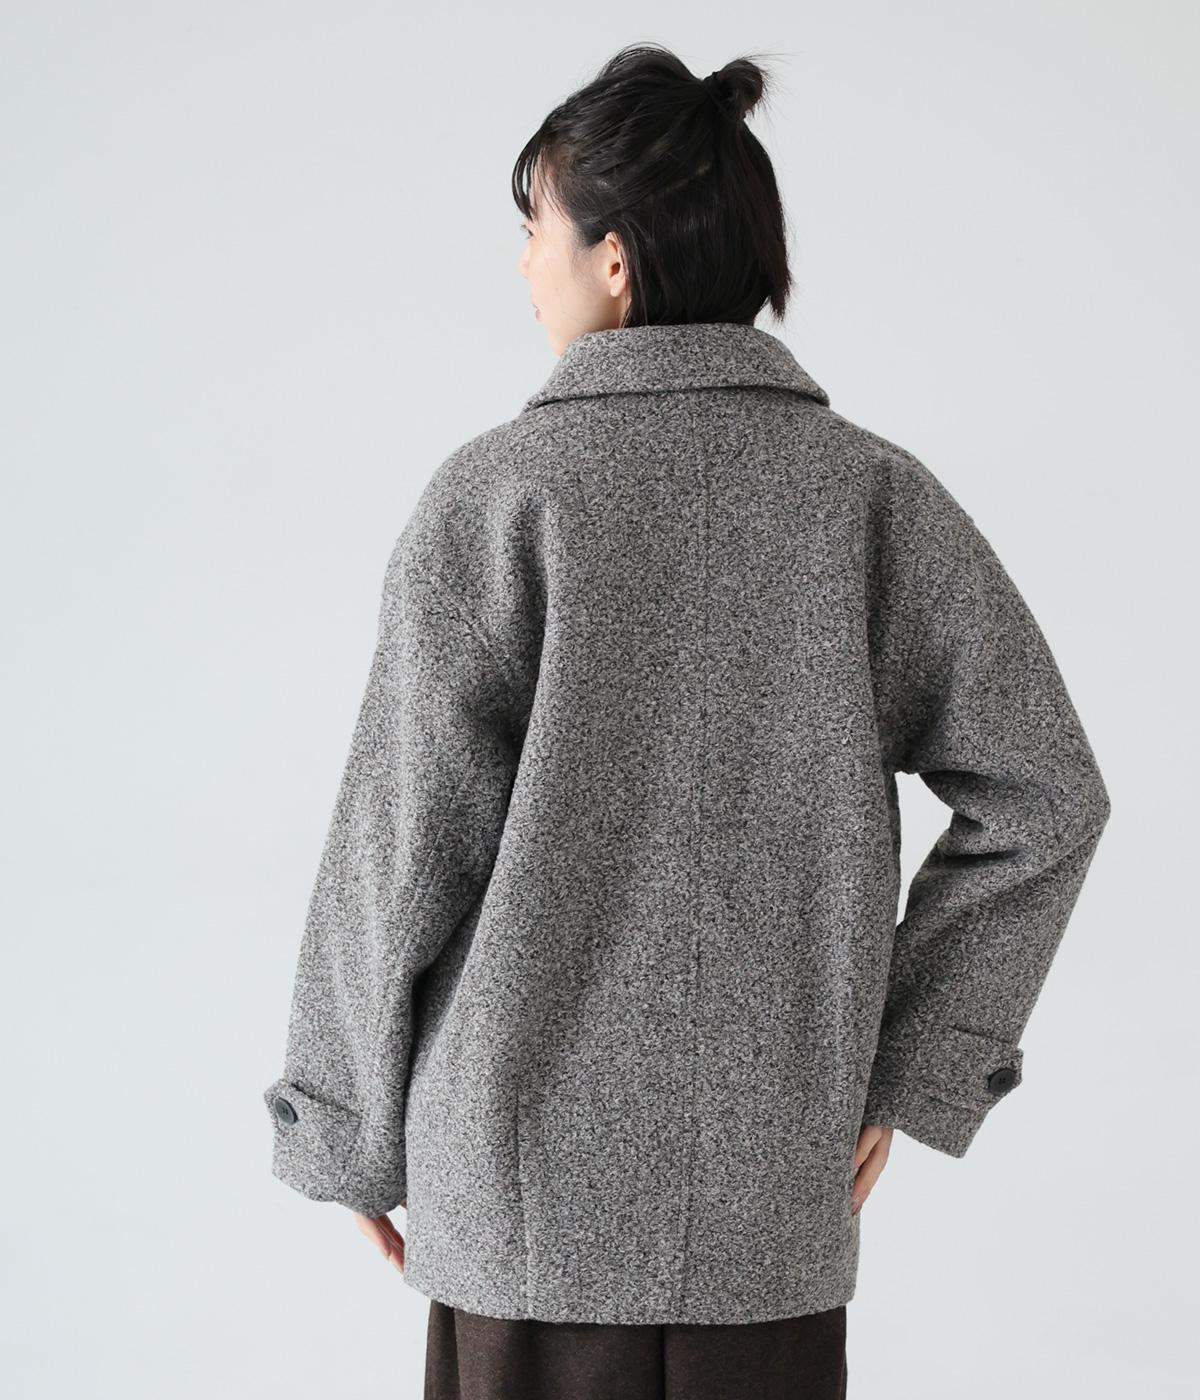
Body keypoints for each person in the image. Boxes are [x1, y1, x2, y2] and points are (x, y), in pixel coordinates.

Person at [261, 43, 1111, 1400]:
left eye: (535, 228)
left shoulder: (498, 497)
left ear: (614, 261)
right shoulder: (870, 500)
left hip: (517, 1204)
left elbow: (400, 844)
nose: (521, 263)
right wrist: (913, 1065)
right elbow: (1046, 792)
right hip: (768, 1202)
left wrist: (346, 1126)